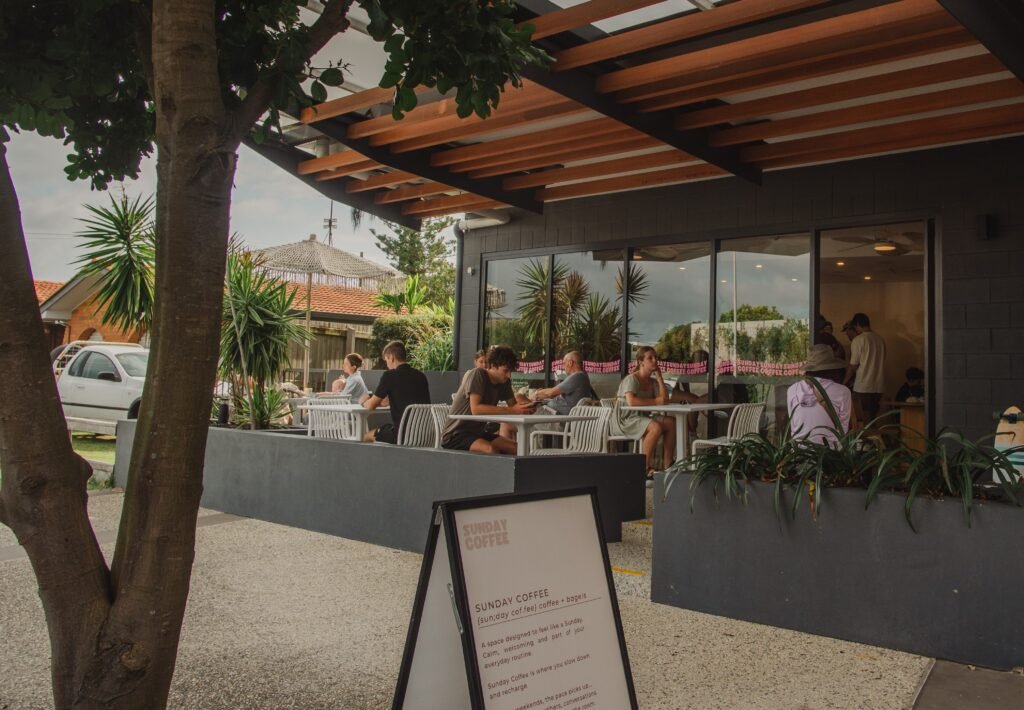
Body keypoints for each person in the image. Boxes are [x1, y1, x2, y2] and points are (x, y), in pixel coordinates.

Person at [442, 345, 536, 454]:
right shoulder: (478, 374)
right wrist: (515, 410)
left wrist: (526, 407)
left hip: (477, 433)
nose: (509, 375)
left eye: (511, 371)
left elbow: (513, 406)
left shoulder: (504, 382)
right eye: (505, 370)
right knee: (490, 449)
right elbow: (476, 409)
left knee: (518, 449)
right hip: (455, 434)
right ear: (492, 365)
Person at [612, 346, 676, 476]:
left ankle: (668, 465)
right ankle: (644, 469)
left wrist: (659, 377)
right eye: (650, 358)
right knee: (655, 427)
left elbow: (664, 400)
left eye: (656, 358)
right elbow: (632, 402)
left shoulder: (651, 381)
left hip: (641, 417)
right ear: (641, 362)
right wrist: (655, 402)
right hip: (625, 419)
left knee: (671, 422)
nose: (654, 361)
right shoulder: (632, 379)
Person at [362, 341, 431, 443]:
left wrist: (364, 401)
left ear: (391, 357)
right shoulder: (421, 376)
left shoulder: (390, 376)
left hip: (402, 435)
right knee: (386, 429)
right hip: (424, 433)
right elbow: (406, 396)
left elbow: (371, 406)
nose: (387, 364)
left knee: (367, 436)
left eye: (386, 360)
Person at [787, 344, 852, 446]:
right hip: (830, 454)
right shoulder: (843, 392)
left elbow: (793, 427)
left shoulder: (792, 390)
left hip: (799, 453)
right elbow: (842, 431)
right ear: (833, 368)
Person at [843, 312, 886, 426]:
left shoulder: (859, 340)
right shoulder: (880, 340)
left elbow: (853, 366)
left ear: (857, 325)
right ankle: (874, 442)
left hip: (863, 386)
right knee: (872, 418)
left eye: (855, 327)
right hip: (878, 386)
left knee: (863, 421)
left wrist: (844, 382)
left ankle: (867, 443)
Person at [532, 350, 592, 415]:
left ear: (570, 363)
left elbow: (551, 393)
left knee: (527, 410)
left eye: (564, 363)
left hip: (559, 418)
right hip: (554, 414)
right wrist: (541, 394)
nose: (563, 367)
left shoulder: (577, 376)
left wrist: (536, 393)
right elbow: (553, 394)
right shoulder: (581, 376)